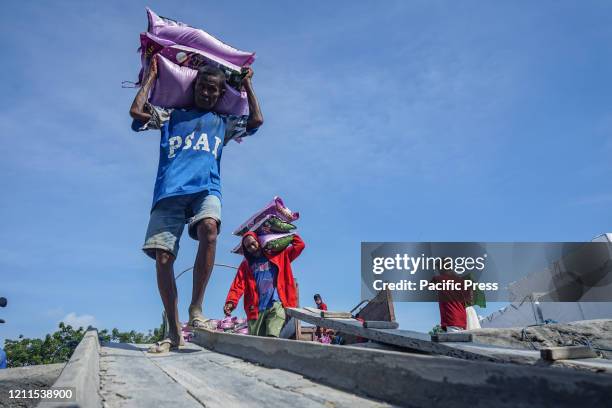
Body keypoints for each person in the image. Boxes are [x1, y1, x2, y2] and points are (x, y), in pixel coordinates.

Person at [129, 56, 264, 353]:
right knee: (163, 258)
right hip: (169, 192)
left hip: (206, 189)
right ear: (194, 88)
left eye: (213, 90)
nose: (206, 93)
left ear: (220, 95)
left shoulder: (222, 123)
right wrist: (151, 77)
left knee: (209, 228)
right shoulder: (171, 116)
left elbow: (256, 121)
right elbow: (137, 112)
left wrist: (248, 85)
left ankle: (196, 309)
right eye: (202, 87)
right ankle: (174, 330)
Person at [224, 232, 305, 337]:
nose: (252, 247)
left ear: (259, 241)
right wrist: (230, 302)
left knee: (272, 338)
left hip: (276, 304)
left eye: (253, 243)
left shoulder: (279, 256)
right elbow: (237, 285)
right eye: (248, 247)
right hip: (256, 310)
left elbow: (299, 246)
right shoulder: (246, 265)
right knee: (256, 343)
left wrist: (289, 235)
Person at [431, 259, 472, 332]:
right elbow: (469, 301)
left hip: (451, 318)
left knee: (454, 343)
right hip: (462, 320)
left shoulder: (438, 279)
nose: (438, 271)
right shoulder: (462, 281)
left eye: (438, 268)